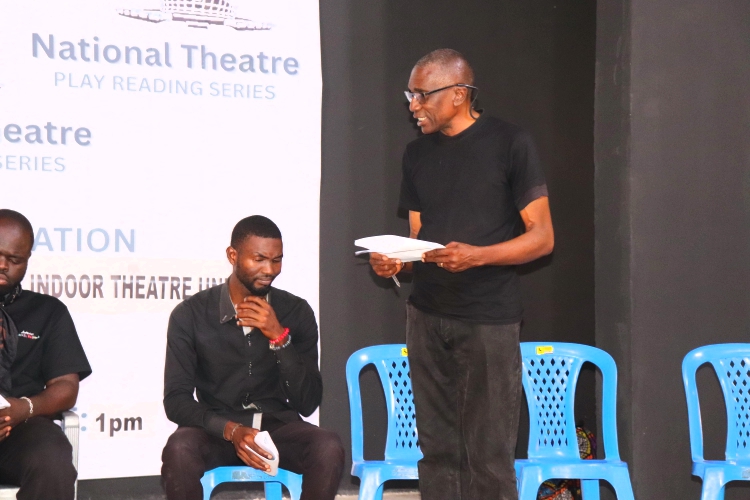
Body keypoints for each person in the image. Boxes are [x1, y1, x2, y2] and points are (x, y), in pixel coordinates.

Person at [369, 49, 554, 500]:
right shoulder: (416, 154)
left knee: (488, 455)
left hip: (489, 319)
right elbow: (418, 237)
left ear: (458, 93)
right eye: (410, 95)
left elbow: (542, 238)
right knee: (437, 452)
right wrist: (396, 261)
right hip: (426, 317)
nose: (413, 105)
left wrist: (479, 257)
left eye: (422, 95)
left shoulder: (510, 143)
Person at [161, 215, 344, 500]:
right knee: (179, 448)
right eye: (259, 259)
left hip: (277, 428)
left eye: (276, 260)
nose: (269, 270)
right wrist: (231, 430)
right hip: (217, 430)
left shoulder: (296, 312)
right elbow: (176, 400)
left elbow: (308, 402)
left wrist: (279, 337)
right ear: (232, 255)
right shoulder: (191, 314)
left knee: (328, 446)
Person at [0, 209, 92, 500]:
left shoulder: (48, 312)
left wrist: (23, 408)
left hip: (20, 427)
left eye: (14, 259)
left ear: (27, 259)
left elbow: (66, 387)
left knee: (52, 459)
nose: (2, 265)